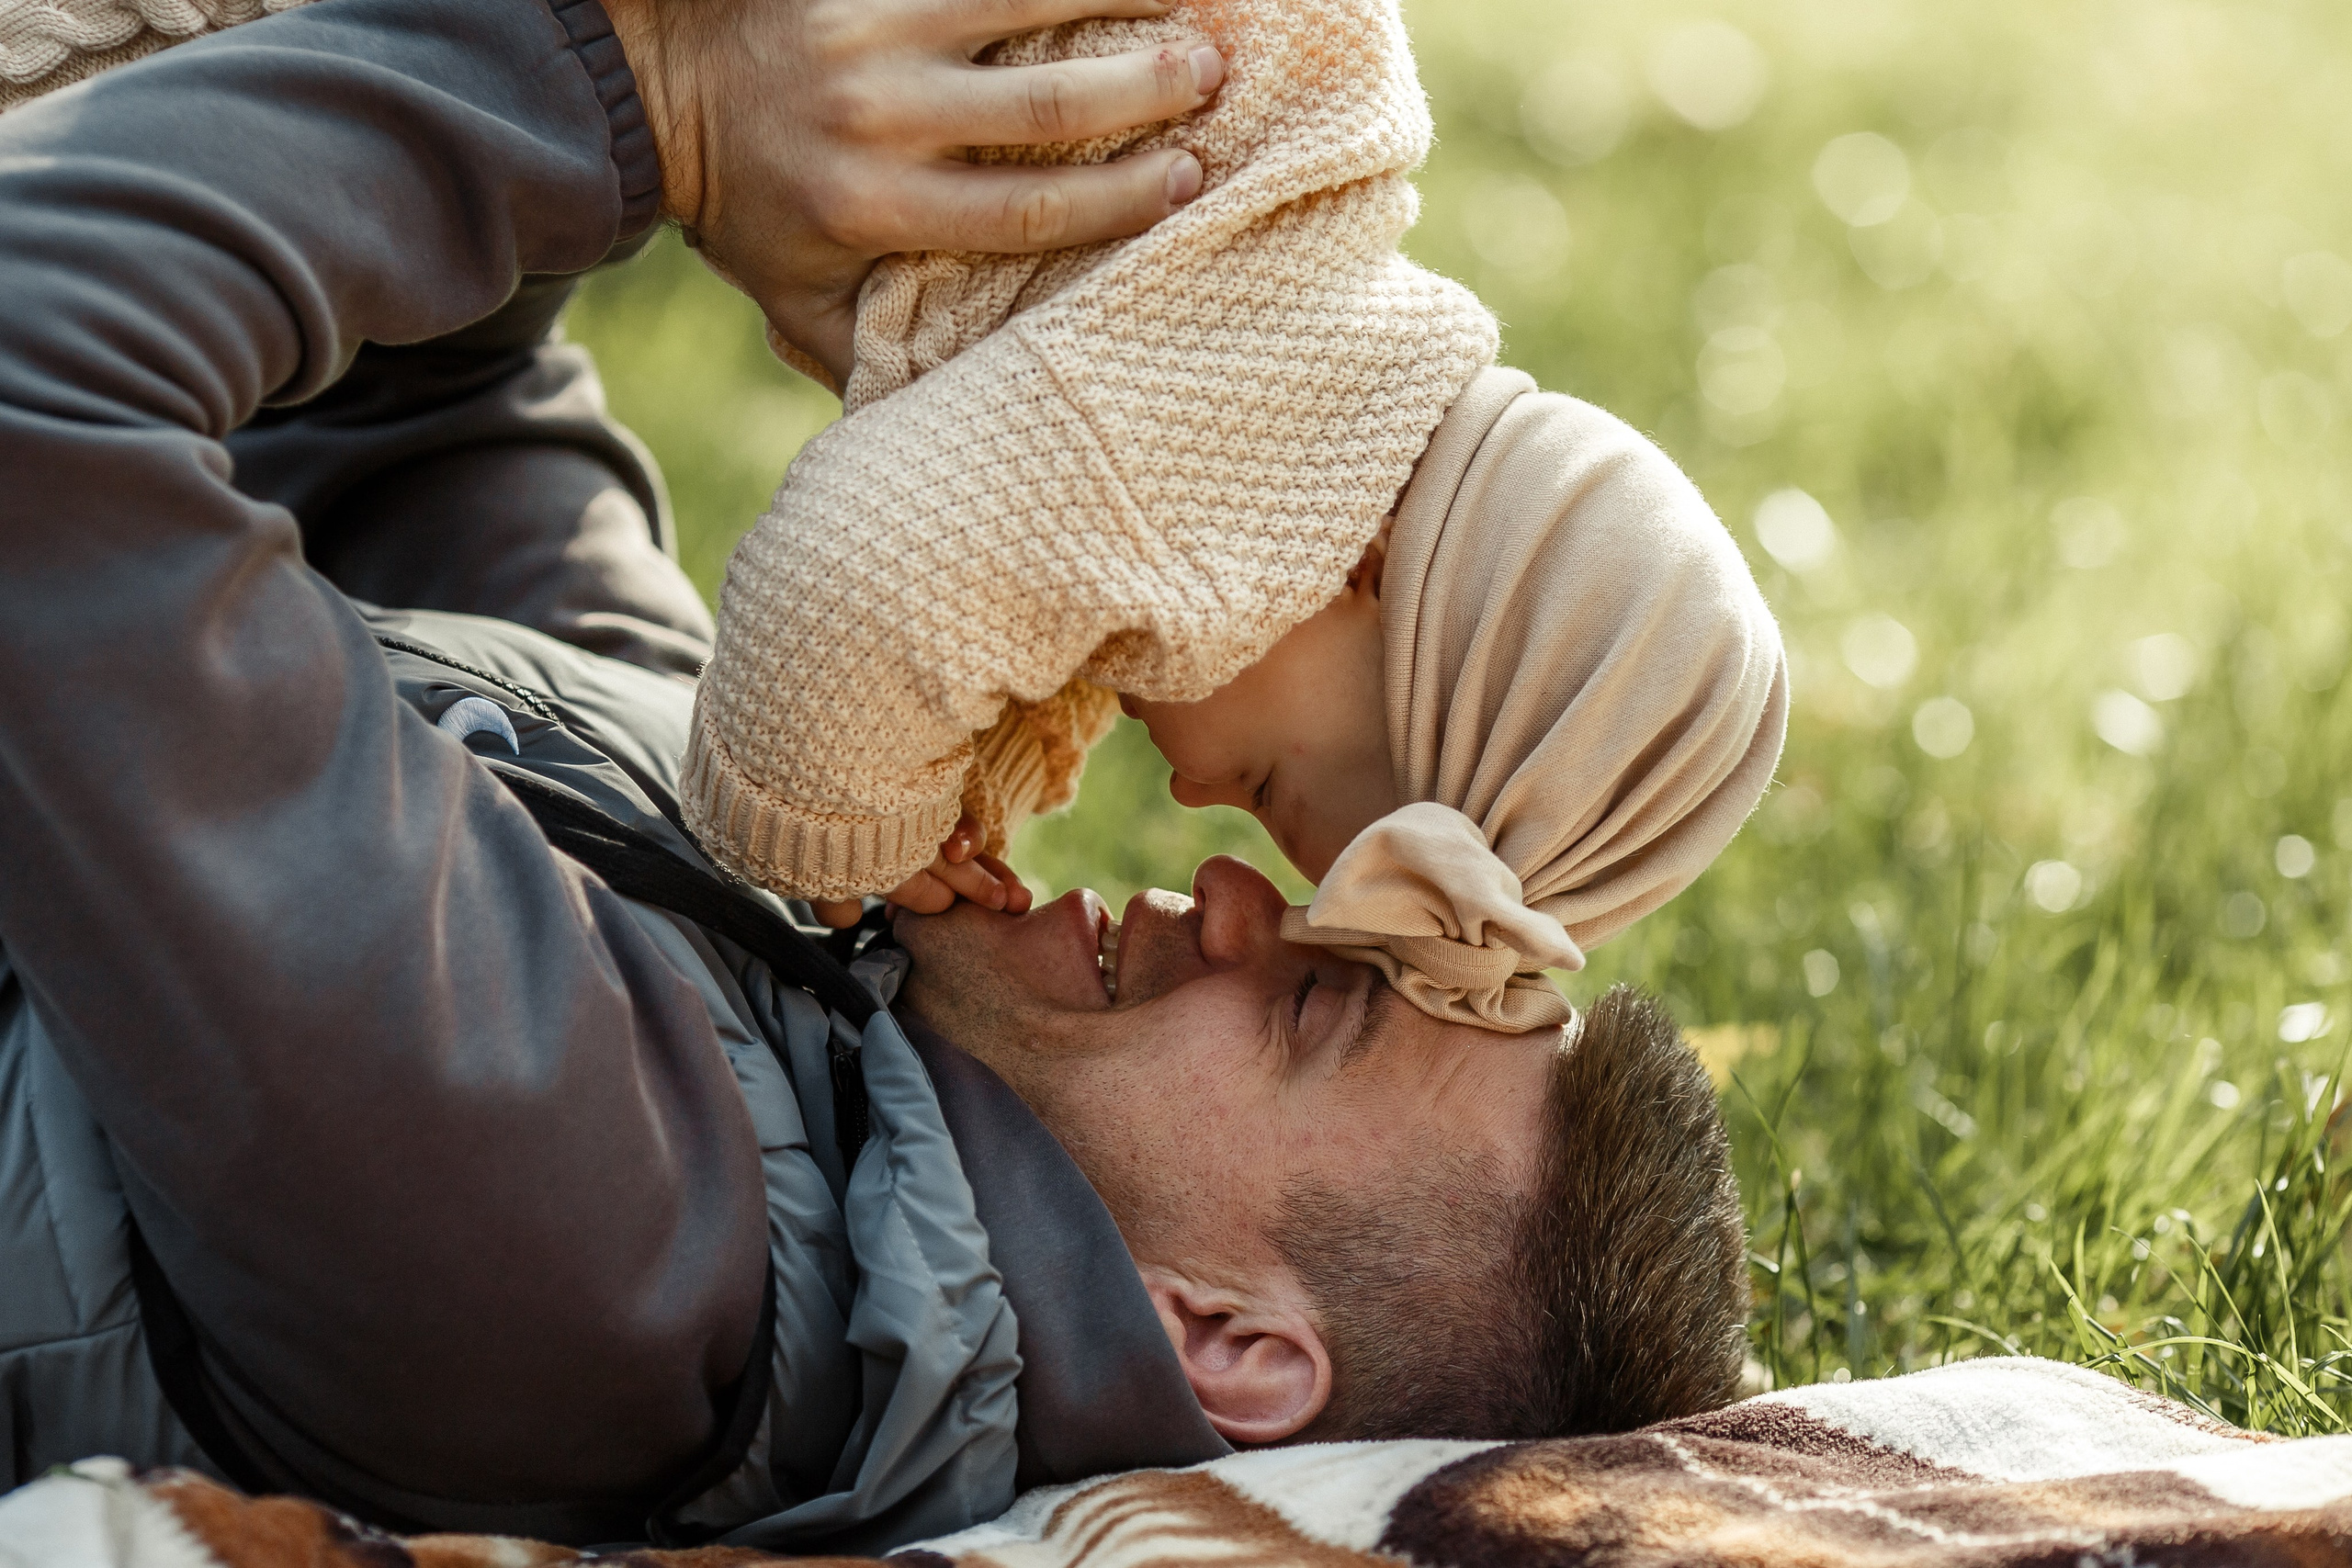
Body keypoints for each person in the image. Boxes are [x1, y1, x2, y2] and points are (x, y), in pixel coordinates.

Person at [0, 0, 1746, 1554]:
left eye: (1311, 1012)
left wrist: (651, 90)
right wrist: (842, 140)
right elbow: (415, 426)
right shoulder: (812, 942)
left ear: (1224, 1337)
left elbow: (35, 384)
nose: (1239, 893)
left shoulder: (593, 1253)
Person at [679, 0, 1789, 1036]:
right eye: (1267, 790)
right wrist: (842, 836)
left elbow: (1044, 580)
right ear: (1366, 568)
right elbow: (841, 594)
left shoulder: (1279, 379)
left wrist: (966, 796)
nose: (1191, 792)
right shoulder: (1220, 431)